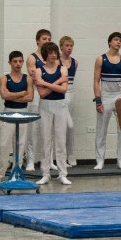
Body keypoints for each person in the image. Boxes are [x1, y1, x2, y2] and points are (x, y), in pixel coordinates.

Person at [0, 50, 34, 184]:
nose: (18, 64)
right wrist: (21, 93)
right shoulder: (5, 78)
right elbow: (4, 95)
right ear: (9, 63)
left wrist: (13, 95)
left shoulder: (27, 78)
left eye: (20, 61)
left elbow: (30, 97)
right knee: (4, 143)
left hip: (23, 112)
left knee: (21, 144)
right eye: (15, 61)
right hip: (8, 111)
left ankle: (17, 172)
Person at [34, 41, 71, 185]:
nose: (53, 55)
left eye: (55, 53)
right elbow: (42, 94)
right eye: (50, 53)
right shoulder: (39, 71)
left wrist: (47, 83)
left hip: (60, 105)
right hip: (45, 106)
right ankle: (45, 173)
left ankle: (62, 173)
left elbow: (63, 90)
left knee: (61, 140)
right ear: (45, 55)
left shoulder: (63, 69)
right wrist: (58, 82)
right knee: (46, 140)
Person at [92, 32, 121, 170]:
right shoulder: (101, 59)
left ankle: (120, 160)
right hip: (105, 96)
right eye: (116, 40)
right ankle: (100, 160)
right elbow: (96, 81)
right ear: (109, 42)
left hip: (119, 96)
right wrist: (98, 100)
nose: (118, 42)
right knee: (101, 130)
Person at [25, 29, 51, 171]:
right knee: (33, 129)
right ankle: (30, 160)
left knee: (48, 128)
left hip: (49, 94)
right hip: (35, 94)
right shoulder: (32, 58)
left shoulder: (53, 58)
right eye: (44, 39)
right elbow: (35, 77)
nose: (47, 41)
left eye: (49, 39)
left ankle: (47, 159)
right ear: (38, 41)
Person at [59, 36, 78, 167]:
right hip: (61, 94)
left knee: (69, 128)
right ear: (61, 47)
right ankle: (61, 156)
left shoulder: (75, 62)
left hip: (71, 94)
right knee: (65, 125)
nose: (69, 48)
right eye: (67, 45)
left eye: (71, 45)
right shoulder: (56, 61)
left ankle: (70, 154)